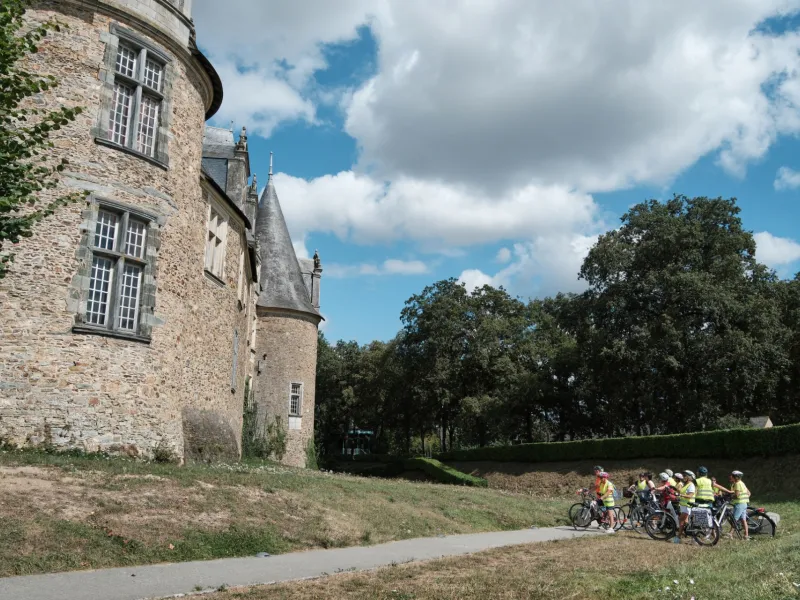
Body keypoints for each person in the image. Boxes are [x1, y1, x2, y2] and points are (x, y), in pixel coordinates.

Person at [714, 470, 750, 539]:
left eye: (732, 476)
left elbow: (737, 495)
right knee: (743, 520)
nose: (731, 477)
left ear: (735, 477)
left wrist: (730, 497)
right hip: (744, 503)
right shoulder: (741, 483)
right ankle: (746, 535)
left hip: (739, 503)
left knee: (734, 519)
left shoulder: (737, 484)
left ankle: (730, 534)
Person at [678, 470, 696, 538]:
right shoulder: (686, 484)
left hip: (688, 506)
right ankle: (689, 534)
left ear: (689, 477)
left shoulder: (691, 485)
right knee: (685, 522)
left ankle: (678, 537)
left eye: (685, 476)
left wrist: (681, 495)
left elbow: (690, 495)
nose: (683, 477)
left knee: (681, 520)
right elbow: (682, 493)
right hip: (684, 506)